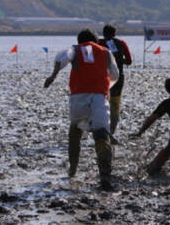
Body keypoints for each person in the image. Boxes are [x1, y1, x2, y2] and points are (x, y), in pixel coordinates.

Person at [44, 28, 119, 190]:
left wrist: (53, 75)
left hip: (78, 98)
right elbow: (115, 74)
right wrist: (106, 87)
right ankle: (105, 176)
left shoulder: (75, 49)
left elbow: (61, 57)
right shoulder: (105, 52)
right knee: (101, 136)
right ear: (96, 40)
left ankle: (73, 170)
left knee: (75, 132)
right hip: (99, 98)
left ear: (79, 40)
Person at [98, 24, 132, 143]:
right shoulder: (121, 43)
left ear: (103, 33)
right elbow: (129, 61)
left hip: (102, 79)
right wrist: (118, 61)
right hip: (117, 78)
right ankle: (111, 132)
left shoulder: (98, 43)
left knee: (102, 105)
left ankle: (102, 132)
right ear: (114, 33)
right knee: (115, 105)